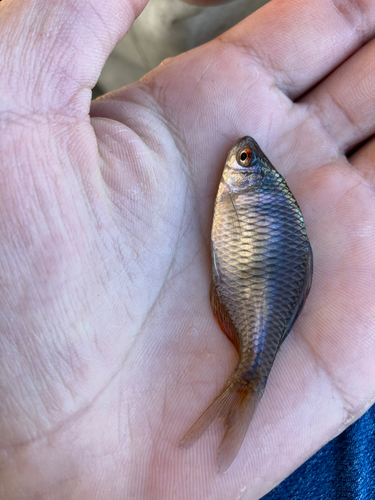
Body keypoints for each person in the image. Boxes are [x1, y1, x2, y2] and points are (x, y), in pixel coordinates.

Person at [1, 0, 374, 498]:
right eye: (246, 157)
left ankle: (250, 377)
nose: (236, 159)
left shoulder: (254, 195)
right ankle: (250, 379)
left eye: (243, 159)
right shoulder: (254, 197)